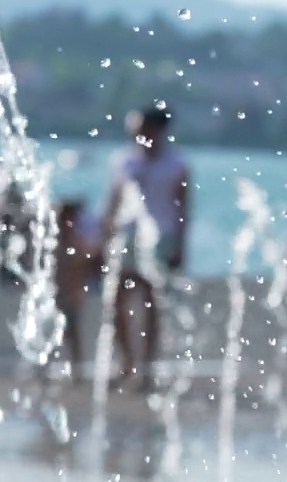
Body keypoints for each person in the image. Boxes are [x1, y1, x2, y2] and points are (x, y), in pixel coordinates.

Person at [101, 104, 191, 391]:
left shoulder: (176, 164)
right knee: (116, 302)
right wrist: (105, 233)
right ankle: (127, 363)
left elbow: (183, 207)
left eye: (141, 128)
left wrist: (180, 245)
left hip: (161, 236)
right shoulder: (125, 160)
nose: (136, 133)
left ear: (157, 130)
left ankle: (147, 368)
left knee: (152, 303)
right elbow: (114, 199)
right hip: (127, 234)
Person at [53, 200, 90, 380]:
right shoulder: (55, 242)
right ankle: (44, 366)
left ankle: (77, 367)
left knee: (72, 332)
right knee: (53, 329)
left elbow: (79, 270)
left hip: (68, 294)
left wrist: (76, 291)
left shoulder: (75, 242)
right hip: (55, 293)